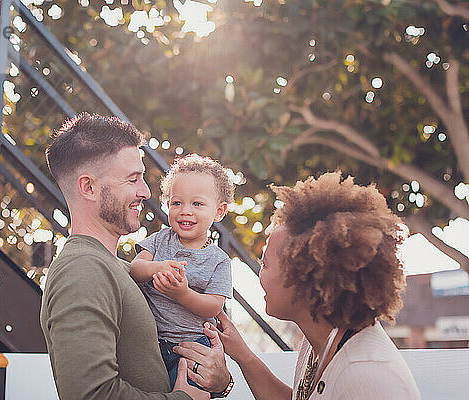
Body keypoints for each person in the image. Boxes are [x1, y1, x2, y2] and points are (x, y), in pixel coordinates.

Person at [174, 172, 421, 399]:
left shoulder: (367, 376)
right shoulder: (320, 341)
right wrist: (242, 354)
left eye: (266, 264)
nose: (259, 275)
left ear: (304, 274)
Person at [40, 112, 231, 400]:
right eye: (133, 180)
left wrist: (220, 382)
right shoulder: (82, 270)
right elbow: (91, 395)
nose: (145, 191)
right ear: (89, 187)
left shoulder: (116, 266)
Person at [130, 154, 234, 390]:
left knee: (187, 393)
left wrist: (182, 294)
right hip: (151, 342)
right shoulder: (159, 241)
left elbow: (214, 306)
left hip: (193, 347)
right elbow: (135, 269)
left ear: (219, 211)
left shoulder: (219, 260)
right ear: (168, 205)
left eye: (197, 204)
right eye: (177, 203)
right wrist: (156, 267)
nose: (185, 211)